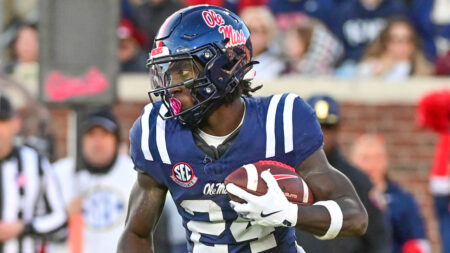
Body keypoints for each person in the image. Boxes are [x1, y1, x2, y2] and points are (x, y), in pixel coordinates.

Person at [118, 5, 368, 253]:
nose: (171, 86)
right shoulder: (158, 131)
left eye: (182, 71)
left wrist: (290, 213)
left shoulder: (279, 122)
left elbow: (355, 217)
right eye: (166, 72)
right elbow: (135, 233)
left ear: (224, 68)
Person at [296, 95, 391, 253]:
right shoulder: (285, 174)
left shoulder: (358, 180)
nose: (322, 133)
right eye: (316, 126)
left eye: (329, 127)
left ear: (338, 129)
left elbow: (379, 237)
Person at [50, 109, 135, 253]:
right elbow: (41, 229)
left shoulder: (135, 175)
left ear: (116, 140)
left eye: (105, 134)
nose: (98, 142)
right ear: (81, 140)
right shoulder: (57, 174)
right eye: (91, 134)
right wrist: (63, 217)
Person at [0, 94, 67, 253]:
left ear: (16, 124)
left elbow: (59, 216)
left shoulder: (34, 162)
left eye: (2, 122)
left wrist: (25, 227)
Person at [350, 134, 430, 253]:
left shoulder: (403, 201)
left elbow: (418, 242)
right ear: (352, 162)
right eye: (365, 158)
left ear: (386, 161)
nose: (372, 165)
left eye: (378, 158)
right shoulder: (345, 199)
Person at [357, 18, 433, 80]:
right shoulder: (369, 66)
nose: (401, 45)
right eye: (395, 40)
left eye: (407, 40)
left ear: (413, 44)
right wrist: (382, 70)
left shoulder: (424, 71)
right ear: (385, 43)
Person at [239, 6, 284, 81]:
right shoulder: (232, 61)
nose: (257, 35)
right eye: (252, 30)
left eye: (263, 30)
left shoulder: (280, 65)